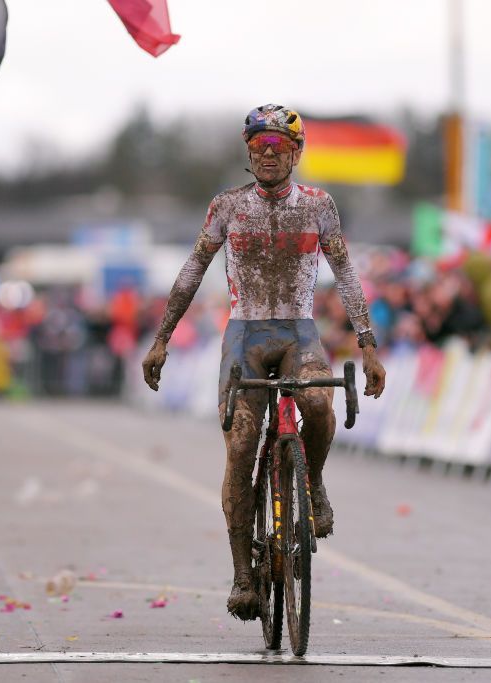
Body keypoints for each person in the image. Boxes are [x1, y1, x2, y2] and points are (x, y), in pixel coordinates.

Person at [140, 104, 387, 621]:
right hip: (245, 334)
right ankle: (242, 575)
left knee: (319, 405)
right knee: (241, 449)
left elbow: (344, 273)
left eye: (278, 147)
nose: (268, 156)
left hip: (297, 332)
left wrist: (367, 345)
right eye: (258, 148)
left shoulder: (319, 205)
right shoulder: (228, 205)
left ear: (297, 152)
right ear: (248, 154)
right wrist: (162, 339)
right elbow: (191, 271)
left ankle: (313, 481)